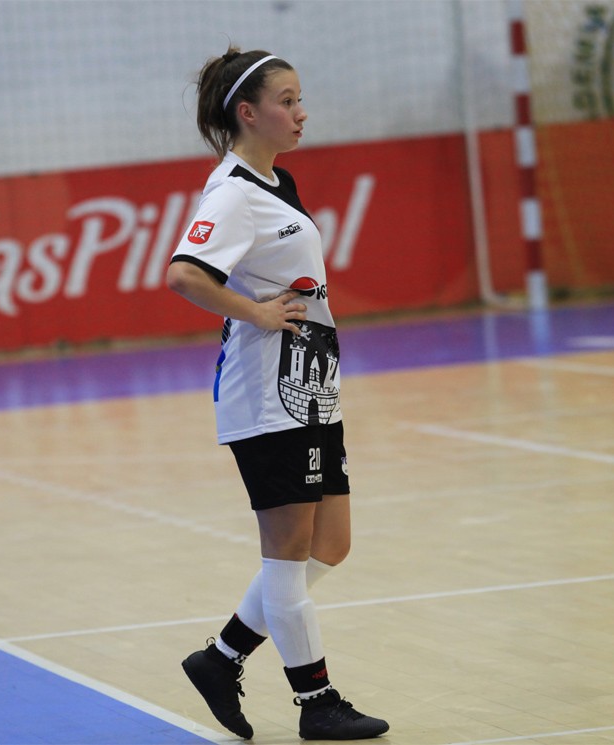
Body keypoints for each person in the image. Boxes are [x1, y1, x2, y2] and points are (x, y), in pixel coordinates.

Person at [166, 46, 389, 741]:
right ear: (248, 112)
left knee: (332, 543)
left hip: (311, 384)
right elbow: (185, 273)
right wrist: (256, 313)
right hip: (268, 393)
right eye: (286, 101)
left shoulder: (275, 181)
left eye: (299, 99)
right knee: (288, 550)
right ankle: (316, 702)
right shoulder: (232, 192)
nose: (300, 112)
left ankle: (221, 658)